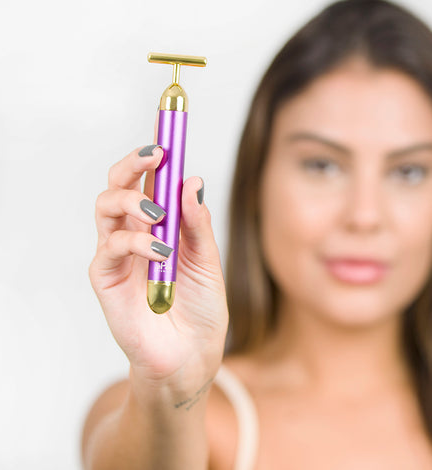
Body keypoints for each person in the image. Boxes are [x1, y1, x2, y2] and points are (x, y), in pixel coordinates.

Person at [81, 0, 432, 468]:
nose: (364, 216)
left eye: (409, 172)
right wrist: (172, 388)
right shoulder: (184, 416)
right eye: (322, 165)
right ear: (255, 184)